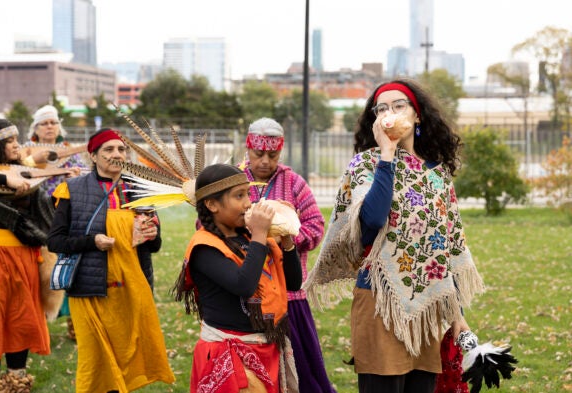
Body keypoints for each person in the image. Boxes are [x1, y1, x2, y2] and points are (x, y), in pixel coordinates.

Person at [303, 79, 485, 393]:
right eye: (381, 108)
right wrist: (386, 155)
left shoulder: (437, 176)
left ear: (417, 116)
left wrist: (458, 320)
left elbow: (445, 250)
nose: (390, 112)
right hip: (379, 303)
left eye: (399, 105)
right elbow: (371, 221)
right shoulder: (365, 166)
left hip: (425, 310)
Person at [46, 128, 175, 392]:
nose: (116, 154)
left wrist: (151, 234)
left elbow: (155, 245)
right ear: (93, 156)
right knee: (95, 360)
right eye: (108, 149)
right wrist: (91, 242)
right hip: (89, 289)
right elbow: (55, 241)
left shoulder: (139, 191)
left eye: (121, 149)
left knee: (125, 360)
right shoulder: (72, 189)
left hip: (129, 290)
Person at [174, 163, 303, 393]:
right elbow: (244, 285)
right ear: (212, 204)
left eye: (248, 194)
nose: (248, 203)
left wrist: (287, 239)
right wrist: (261, 234)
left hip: (264, 351)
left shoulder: (251, 237)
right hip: (227, 355)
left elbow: (293, 283)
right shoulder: (205, 247)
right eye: (239, 196)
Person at [243, 117, 335, 392]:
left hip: (289, 293)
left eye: (272, 155)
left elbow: (316, 226)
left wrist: (288, 237)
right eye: (258, 154)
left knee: (300, 371)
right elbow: (210, 224)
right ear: (247, 148)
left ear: (280, 152)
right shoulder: (234, 181)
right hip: (247, 292)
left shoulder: (293, 183)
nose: (264, 161)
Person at [0, 119, 53, 392]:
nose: (17, 145)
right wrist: (4, 178)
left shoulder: (24, 172)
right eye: (10, 141)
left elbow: (45, 213)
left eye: (16, 139)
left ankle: (17, 381)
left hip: (23, 256)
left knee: (20, 317)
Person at [26, 104, 87, 338]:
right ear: (36, 128)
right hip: (37, 220)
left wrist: (75, 177)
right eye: (45, 123)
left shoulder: (69, 151)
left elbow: (84, 175)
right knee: (40, 272)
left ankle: (75, 324)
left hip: (67, 218)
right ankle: (38, 321)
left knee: (73, 269)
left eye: (53, 122)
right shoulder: (26, 153)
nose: (50, 126)